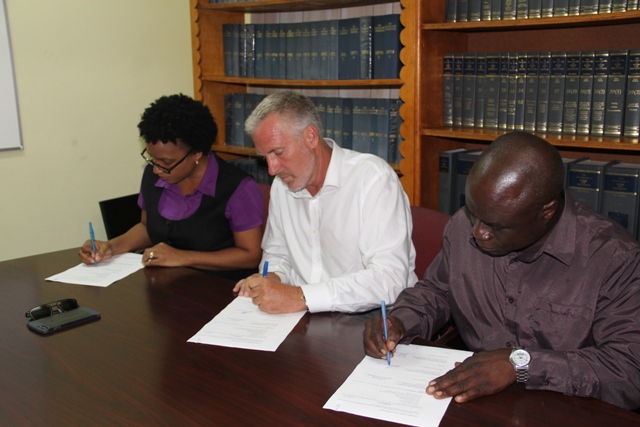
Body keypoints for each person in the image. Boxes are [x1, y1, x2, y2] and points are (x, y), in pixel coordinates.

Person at [363, 131, 640, 410]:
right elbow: (438, 290)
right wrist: (399, 321)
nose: (478, 232)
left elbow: (629, 372)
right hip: (476, 404)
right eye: (473, 213)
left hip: (565, 410)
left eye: (496, 226)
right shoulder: (464, 226)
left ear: (547, 211)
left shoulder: (615, 259)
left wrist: (521, 364)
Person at [233, 91, 417, 314]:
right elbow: (278, 253)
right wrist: (271, 278)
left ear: (310, 137)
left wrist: (301, 296)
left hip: (375, 319)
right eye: (265, 158)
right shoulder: (282, 186)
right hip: (305, 316)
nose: (272, 169)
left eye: (278, 152)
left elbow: (389, 279)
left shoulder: (372, 179)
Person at [79, 94, 264, 280]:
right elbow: (147, 227)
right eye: (153, 158)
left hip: (219, 290)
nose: (157, 169)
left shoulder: (237, 188)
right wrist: (112, 246)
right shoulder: (153, 175)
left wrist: (183, 257)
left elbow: (250, 255)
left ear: (197, 153)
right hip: (166, 287)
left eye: (166, 162)